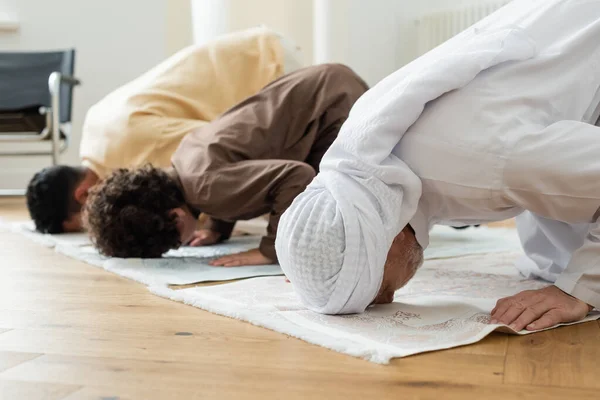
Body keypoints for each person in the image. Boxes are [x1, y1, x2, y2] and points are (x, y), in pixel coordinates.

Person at [275, 0, 600, 332]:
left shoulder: (488, 163)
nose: (388, 299)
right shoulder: (374, 157)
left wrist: (579, 289)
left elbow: (510, 168)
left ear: (384, 243)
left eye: (375, 291)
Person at [83, 64, 369, 266]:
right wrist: (217, 228)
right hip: (324, 85)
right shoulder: (184, 162)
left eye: (174, 244)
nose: (179, 244)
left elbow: (296, 176)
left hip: (333, 106)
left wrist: (270, 250)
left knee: (329, 200)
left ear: (177, 218)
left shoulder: (207, 190)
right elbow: (234, 177)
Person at [26, 26, 303, 234]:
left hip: (265, 67)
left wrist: (210, 224)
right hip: (252, 52)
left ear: (83, 194)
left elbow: (222, 155)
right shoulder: (95, 137)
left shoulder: (129, 150)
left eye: (87, 225)